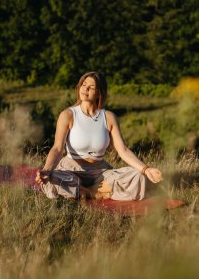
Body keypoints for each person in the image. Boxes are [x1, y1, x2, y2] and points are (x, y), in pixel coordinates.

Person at [36, 71, 163, 201]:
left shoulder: (108, 117)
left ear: (99, 93)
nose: (85, 89)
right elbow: (57, 148)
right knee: (51, 180)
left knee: (138, 176)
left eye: (91, 87)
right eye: (83, 84)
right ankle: (93, 192)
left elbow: (123, 150)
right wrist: (47, 170)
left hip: (100, 173)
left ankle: (83, 191)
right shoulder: (68, 115)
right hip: (71, 169)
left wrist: (146, 170)